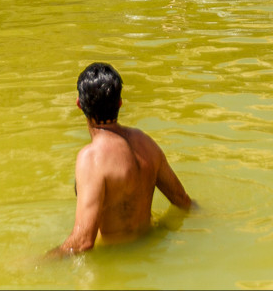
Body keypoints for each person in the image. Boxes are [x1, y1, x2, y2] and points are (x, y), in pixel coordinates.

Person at [49, 63, 192, 257]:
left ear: (79, 104)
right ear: (120, 103)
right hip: (149, 255)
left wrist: (35, 264)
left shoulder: (91, 158)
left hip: (113, 259)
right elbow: (182, 200)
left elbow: (83, 241)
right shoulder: (146, 142)